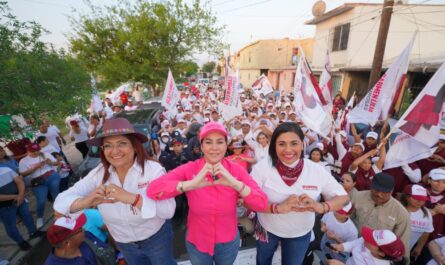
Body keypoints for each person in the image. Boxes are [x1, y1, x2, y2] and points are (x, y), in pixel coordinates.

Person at [53, 118, 177, 265]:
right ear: (103, 150)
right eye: (108, 146)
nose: (115, 151)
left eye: (122, 143)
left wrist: (132, 198)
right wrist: (87, 201)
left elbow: (168, 210)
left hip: (156, 238)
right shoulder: (98, 173)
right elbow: (60, 202)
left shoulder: (153, 170)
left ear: (135, 146)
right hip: (124, 242)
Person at [147, 122, 268, 265]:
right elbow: (153, 190)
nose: (214, 148)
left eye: (220, 142)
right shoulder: (190, 169)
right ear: (201, 146)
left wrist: (235, 183)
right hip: (197, 241)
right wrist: (191, 184)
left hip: (228, 241)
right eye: (208, 142)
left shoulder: (236, 171)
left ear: (226, 145)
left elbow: (261, 203)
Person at [250, 122, 349, 265]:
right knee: (262, 261)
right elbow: (248, 199)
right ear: (274, 146)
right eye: (282, 144)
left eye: (294, 143)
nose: (288, 150)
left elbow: (343, 197)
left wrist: (321, 207)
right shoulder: (263, 167)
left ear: (302, 145)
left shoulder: (316, 170)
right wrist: (276, 208)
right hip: (267, 228)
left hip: (299, 233)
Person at [351, 172, 411, 262]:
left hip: (374, 258)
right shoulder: (357, 196)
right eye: (376, 190)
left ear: (392, 191)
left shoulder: (401, 213)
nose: (379, 194)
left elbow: (402, 244)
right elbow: (346, 218)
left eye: (384, 192)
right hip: (349, 244)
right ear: (371, 186)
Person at [0, 167, 45, 250]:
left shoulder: (6, 169)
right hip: (4, 207)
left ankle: (33, 232)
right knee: (11, 225)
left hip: (20, 200)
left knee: (27, 217)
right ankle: (20, 242)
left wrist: (20, 195)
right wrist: (16, 196)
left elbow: (19, 181)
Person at [19, 143, 60, 228]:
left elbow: (56, 163)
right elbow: (23, 174)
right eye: (33, 151)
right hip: (38, 182)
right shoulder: (23, 161)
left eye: (37, 150)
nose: (36, 153)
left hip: (52, 176)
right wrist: (35, 167)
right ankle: (40, 217)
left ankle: (60, 213)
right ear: (28, 151)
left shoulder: (45, 154)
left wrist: (51, 162)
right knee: (41, 200)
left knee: (56, 196)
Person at [329, 227, 406, 265]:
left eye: (372, 240)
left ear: (381, 253)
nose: (366, 238)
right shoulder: (366, 240)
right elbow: (353, 244)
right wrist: (341, 247)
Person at [399, 184, 433, 262]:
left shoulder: (427, 213)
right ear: (406, 197)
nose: (420, 201)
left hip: (407, 251)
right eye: (416, 198)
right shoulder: (398, 209)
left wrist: (419, 247)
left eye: (423, 199)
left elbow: (426, 232)